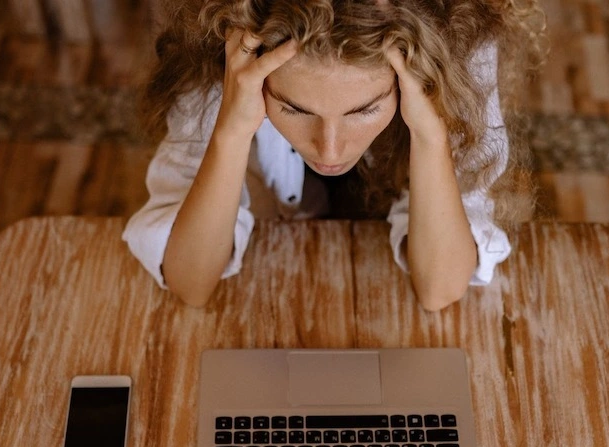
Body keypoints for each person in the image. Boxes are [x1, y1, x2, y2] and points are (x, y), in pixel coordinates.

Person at [124, 0, 547, 310]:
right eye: (294, 108)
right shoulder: (225, 47)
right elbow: (191, 283)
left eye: (364, 109)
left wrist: (431, 136)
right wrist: (231, 130)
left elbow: (440, 289)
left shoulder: (459, 48)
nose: (330, 149)